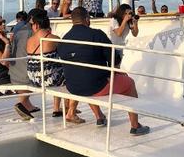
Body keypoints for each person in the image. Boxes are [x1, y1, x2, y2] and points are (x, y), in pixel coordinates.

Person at [57, 7, 150, 135]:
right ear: (87, 19)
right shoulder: (97, 35)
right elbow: (114, 60)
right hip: (95, 86)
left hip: (73, 87)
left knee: (87, 80)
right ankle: (135, 126)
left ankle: (100, 117)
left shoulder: (64, 39)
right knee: (129, 83)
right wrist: (110, 73)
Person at [26, 9, 66, 118]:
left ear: (37, 25)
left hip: (34, 78)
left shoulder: (29, 40)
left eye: (32, 24)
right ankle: (65, 108)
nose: (32, 27)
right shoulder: (54, 38)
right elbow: (65, 56)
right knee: (67, 72)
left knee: (54, 69)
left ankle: (59, 108)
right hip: (48, 79)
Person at [8, 9, 39, 119]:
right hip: (24, 74)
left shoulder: (18, 31)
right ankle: (21, 103)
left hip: (13, 71)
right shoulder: (33, 34)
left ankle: (26, 105)